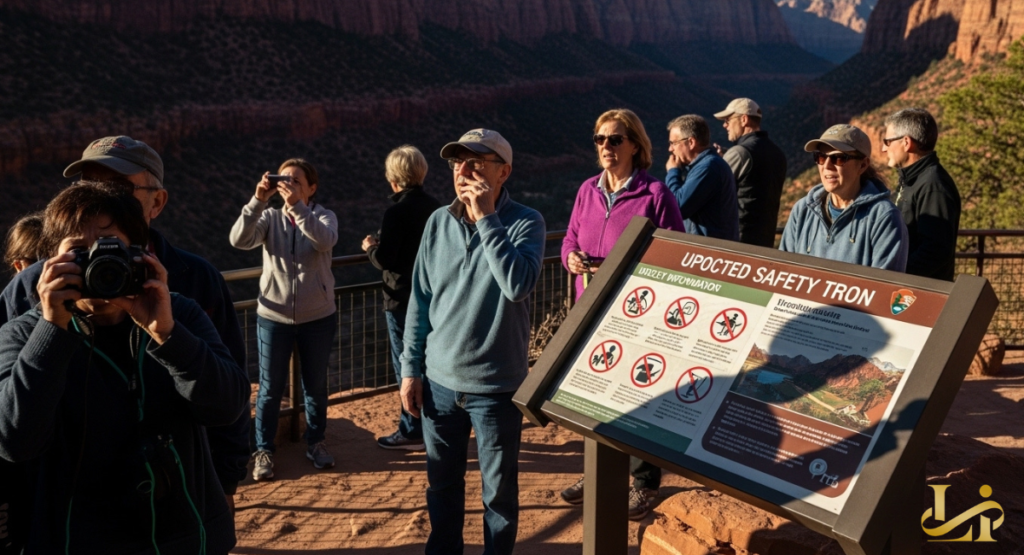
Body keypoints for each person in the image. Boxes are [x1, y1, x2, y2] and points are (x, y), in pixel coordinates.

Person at [0, 136, 250, 515]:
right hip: (71, 517)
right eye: (86, 185)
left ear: (157, 202)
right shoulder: (29, 291)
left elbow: (229, 397)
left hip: (177, 510)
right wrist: (51, 326)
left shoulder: (193, 283)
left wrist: (226, 480)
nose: (99, 195)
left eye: (117, 187)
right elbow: (13, 430)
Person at [400, 129, 545, 555]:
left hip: (497, 388)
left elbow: (516, 285)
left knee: (498, 495)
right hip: (439, 385)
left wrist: (486, 219)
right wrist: (410, 370)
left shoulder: (526, 222)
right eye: (457, 162)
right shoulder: (437, 222)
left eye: (477, 162)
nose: (464, 170)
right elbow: (420, 301)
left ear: (505, 172)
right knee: (441, 486)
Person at [559, 108, 684, 520]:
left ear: (634, 145)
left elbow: (676, 253)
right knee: (592, 394)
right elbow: (571, 237)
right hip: (589, 309)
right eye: (600, 139)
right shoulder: (586, 190)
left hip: (635, 314)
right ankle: (594, 470)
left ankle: (644, 482)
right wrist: (571, 258)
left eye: (615, 139)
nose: (606, 148)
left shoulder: (655, 195)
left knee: (638, 394)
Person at [230, 158, 339, 479]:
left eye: (295, 181)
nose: (287, 186)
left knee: (315, 386)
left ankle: (316, 442)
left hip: (318, 317)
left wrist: (297, 208)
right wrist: (258, 199)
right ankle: (263, 450)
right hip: (273, 317)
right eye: (284, 179)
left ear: (311, 188)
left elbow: (325, 241)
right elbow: (238, 240)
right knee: (269, 389)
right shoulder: (268, 217)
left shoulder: (324, 216)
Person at [362, 145, 441, 451]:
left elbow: (386, 258)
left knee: (406, 366)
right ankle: (431, 426)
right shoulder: (435, 206)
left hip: (399, 300)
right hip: (431, 298)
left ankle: (411, 431)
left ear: (393, 177)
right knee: (427, 363)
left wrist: (370, 247)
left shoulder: (396, 211)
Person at [780, 124, 908, 271]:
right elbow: (783, 271)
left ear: (863, 165)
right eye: (821, 157)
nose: (827, 166)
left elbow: (885, 288)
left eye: (839, 158)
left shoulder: (884, 217)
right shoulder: (802, 210)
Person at [882, 108, 961, 281]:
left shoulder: (933, 185)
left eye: (887, 142)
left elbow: (936, 251)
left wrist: (894, 276)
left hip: (917, 295)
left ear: (906, 142)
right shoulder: (913, 179)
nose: (883, 148)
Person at [714, 98, 788, 248]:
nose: (725, 125)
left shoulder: (739, 153)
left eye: (728, 120)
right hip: (765, 239)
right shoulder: (777, 152)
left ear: (744, 119)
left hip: (738, 239)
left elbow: (714, 194)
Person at [665, 115, 740, 241]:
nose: (670, 149)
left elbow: (677, 207)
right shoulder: (706, 165)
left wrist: (673, 172)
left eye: (674, 143)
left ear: (691, 142)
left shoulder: (707, 168)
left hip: (710, 252)